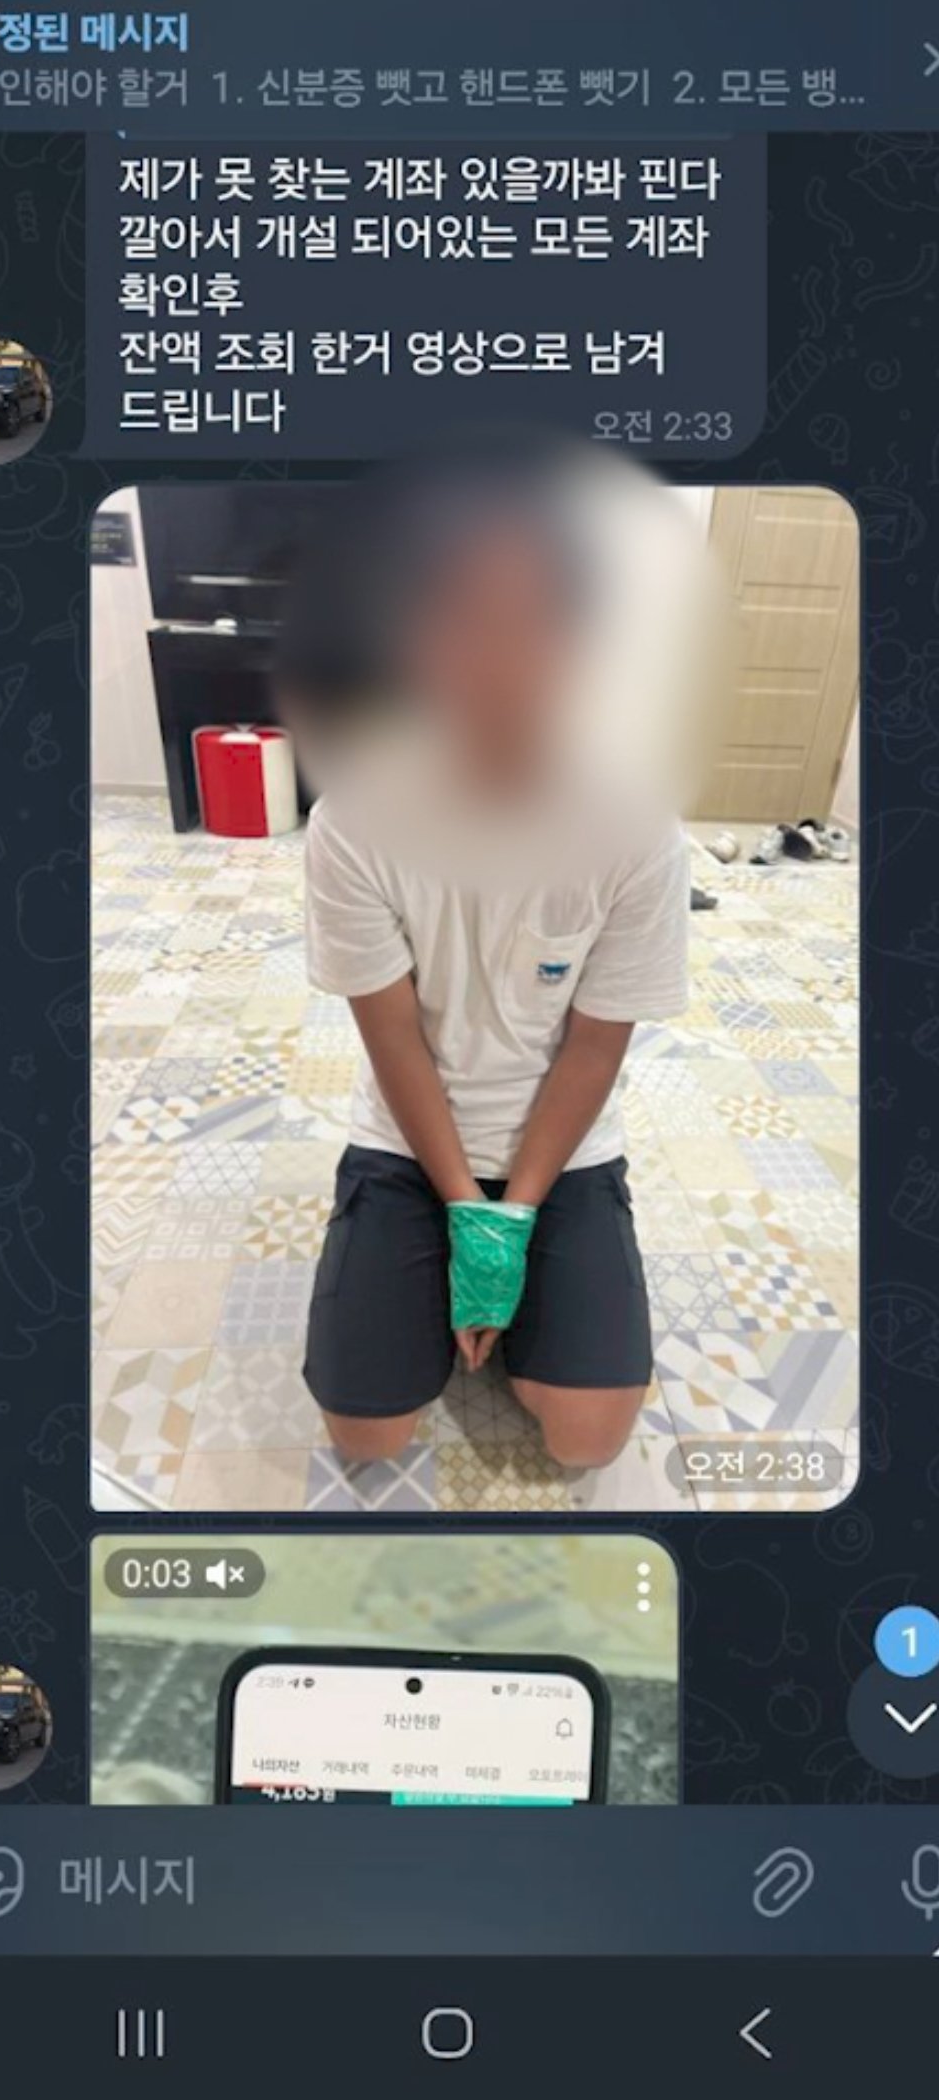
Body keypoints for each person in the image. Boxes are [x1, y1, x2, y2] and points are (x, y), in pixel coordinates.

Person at [280, 438, 689, 1472]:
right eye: (460, 618)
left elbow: (594, 1046)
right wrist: (464, 1206)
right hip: (409, 1140)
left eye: (531, 620)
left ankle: (529, 1315)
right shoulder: (354, 821)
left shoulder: (637, 829)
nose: (496, 659)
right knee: (368, 1436)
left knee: (588, 1438)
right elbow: (392, 1041)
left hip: (562, 1146)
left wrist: (512, 1227)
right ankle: (428, 1292)